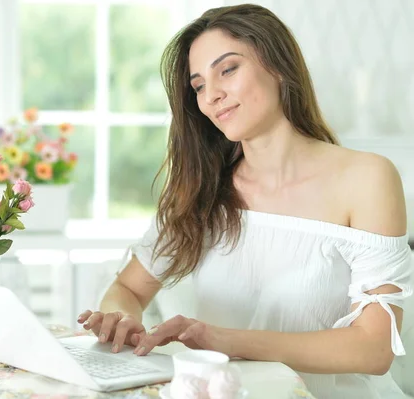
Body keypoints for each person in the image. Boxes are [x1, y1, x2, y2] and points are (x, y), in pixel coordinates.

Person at [76, 3, 412, 398]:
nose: (212, 95)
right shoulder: (201, 189)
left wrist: (225, 340)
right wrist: (122, 318)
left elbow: (374, 349)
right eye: (199, 85)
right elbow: (128, 290)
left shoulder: (366, 178)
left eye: (228, 69)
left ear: (279, 65)